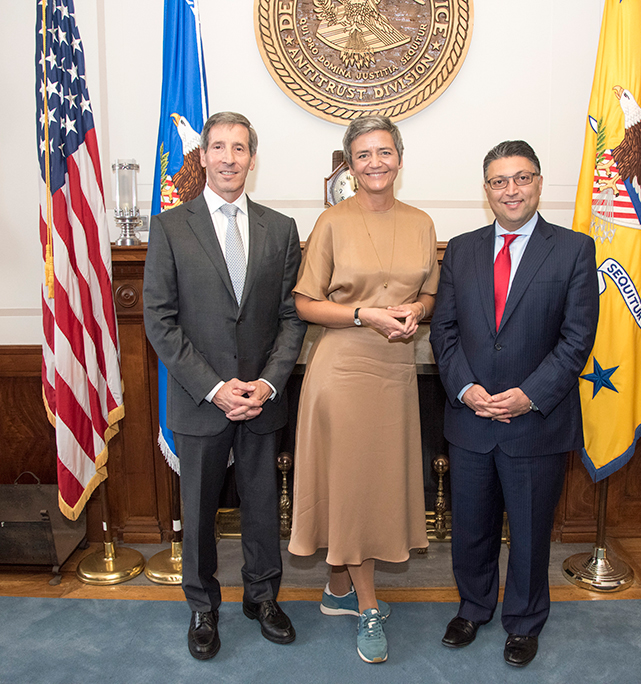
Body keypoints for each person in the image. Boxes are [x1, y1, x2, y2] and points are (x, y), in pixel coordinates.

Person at [143, 111, 307, 661]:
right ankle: (202, 606)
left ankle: (263, 598)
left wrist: (266, 383)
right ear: (204, 156)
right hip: (199, 400)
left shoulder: (280, 230)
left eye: (240, 148)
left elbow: (291, 318)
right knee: (199, 512)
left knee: (263, 507)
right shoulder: (170, 227)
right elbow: (159, 320)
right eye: (219, 147)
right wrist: (215, 388)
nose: (230, 158)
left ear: (252, 159)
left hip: (261, 399)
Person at [429, 140, 598, 667]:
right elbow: (445, 330)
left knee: (528, 533)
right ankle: (474, 607)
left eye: (521, 178)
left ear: (540, 183)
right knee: (471, 528)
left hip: (536, 423)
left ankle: (523, 622)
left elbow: (577, 338)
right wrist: (464, 388)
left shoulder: (573, 249)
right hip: (471, 416)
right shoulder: (460, 249)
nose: (511, 190)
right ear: (486, 191)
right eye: (500, 181)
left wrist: (529, 396)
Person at [288, 115, 438, 664]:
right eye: (363, 155)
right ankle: (368, 604)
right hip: (344, 368)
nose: (375, 162)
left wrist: (414, 311)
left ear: (400, 156)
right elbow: (305, 302)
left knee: (372, 482)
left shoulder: (422, 222)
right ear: (349, 164)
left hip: (395, 369)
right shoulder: (331, 221)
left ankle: (337, 587)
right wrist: (364, 315)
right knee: (353, 483)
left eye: (384, 152)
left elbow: (429, 295)